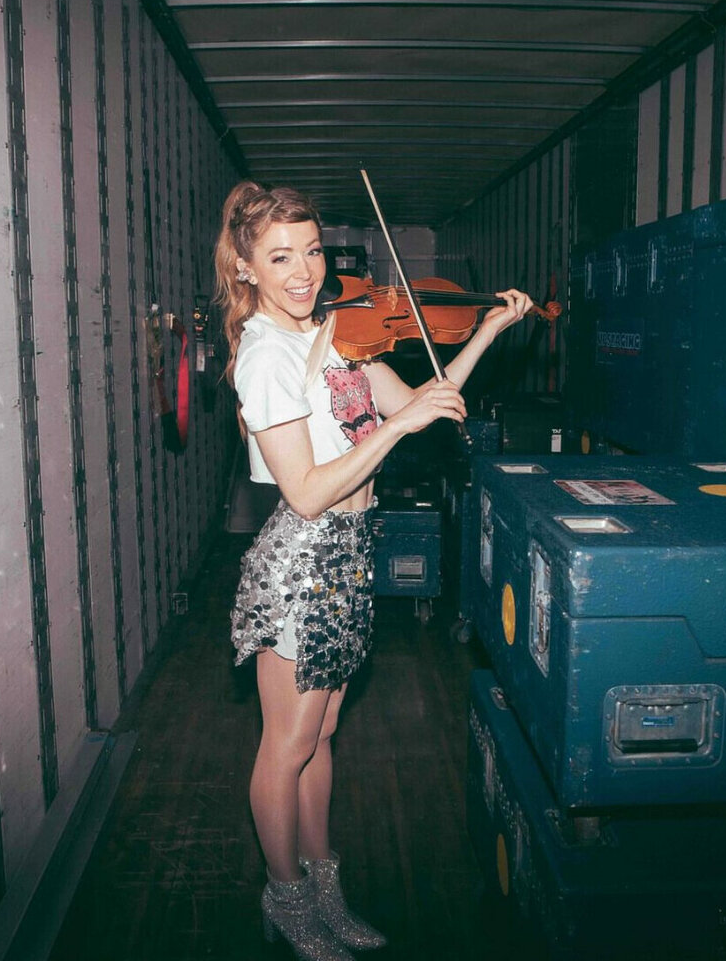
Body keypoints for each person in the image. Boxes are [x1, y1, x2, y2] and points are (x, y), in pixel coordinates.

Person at [214, 180, 532, 961]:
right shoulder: (266, 355)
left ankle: (325, 887)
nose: (304, 271)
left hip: (350, 552)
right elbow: (307, 490)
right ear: (246, 266)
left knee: (321, 735)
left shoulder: (340, 334)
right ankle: (286, 899)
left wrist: (487, 331)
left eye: (312, 251)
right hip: (303, 561)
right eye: (280, 257)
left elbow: (427, 399)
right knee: (285, 745)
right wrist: (398, 429)